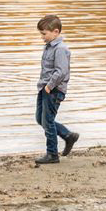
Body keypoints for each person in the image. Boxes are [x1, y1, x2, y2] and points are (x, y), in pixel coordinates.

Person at [32, 14, 79, 165]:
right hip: (44, 88)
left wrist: (49, 86)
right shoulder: (49, 46)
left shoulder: (60, 49)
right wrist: (43, 86)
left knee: (48, 120)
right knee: (41, 118)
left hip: (53, 90)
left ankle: (52, 154)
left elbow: (61, 71)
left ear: (56, 32)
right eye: (41, 34)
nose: (42, 37)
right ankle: (67, 135)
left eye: (44, 34)